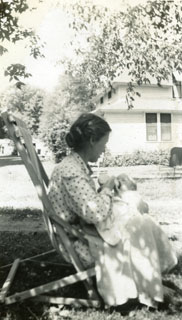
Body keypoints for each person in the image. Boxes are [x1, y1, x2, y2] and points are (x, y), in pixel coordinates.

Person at [48, 112, 177, 309]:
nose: (104, 149)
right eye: (103, 143)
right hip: (80, 242)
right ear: (92, 140)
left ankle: (152, 283)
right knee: (137, 225)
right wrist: (107, 188)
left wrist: (105, 191)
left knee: (138, 221)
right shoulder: (70, 172)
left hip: (84, 230)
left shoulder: (74, 166)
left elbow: (87, 205)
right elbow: (94, 213)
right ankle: (151, 289)